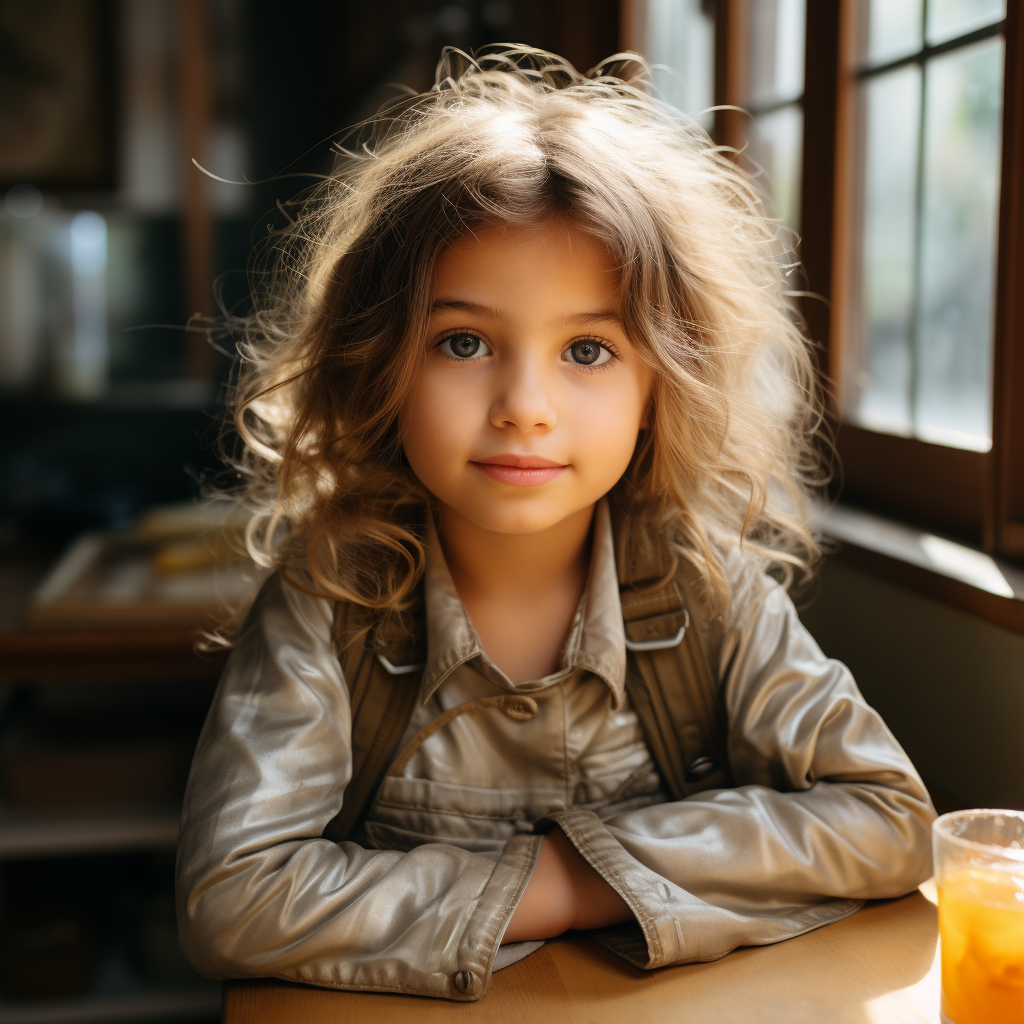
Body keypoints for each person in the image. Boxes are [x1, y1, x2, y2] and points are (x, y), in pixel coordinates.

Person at [175, 45, 935, 1002]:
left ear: (662, 384)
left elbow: (886, 817)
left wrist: (579, 879)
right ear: (380, 366)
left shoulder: (707, 586)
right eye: (463, 342)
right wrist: (563, 885)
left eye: (587, 348)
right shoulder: (333, 600)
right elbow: (230, 897)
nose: (524, 405)